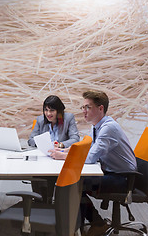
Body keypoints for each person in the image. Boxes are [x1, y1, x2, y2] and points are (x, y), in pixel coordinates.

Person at [49, 90, 137, 236]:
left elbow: (90, 158)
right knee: (76, 182)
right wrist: (63, 152)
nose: (84, 111)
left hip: (123, 178)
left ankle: (88, 226)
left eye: (87, 107)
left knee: (76, 184)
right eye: (83, 107)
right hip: (112, 171)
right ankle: (89, 224)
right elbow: (86, 148)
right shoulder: (97, 125)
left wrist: (64, 157)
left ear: (100, 108)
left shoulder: (108, 128)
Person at [28, 95, 80, 203]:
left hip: (59, 159)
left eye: (52, 110)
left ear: (59, 111)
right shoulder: (40, 120)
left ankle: (53, 203)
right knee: (37, 174)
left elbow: (75, 139)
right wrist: (42, 142)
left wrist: (60, 145)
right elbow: (31, 140)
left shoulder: (68, 118)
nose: (48, 114)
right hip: (44, 158)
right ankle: (41, 202)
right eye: (46, 110)